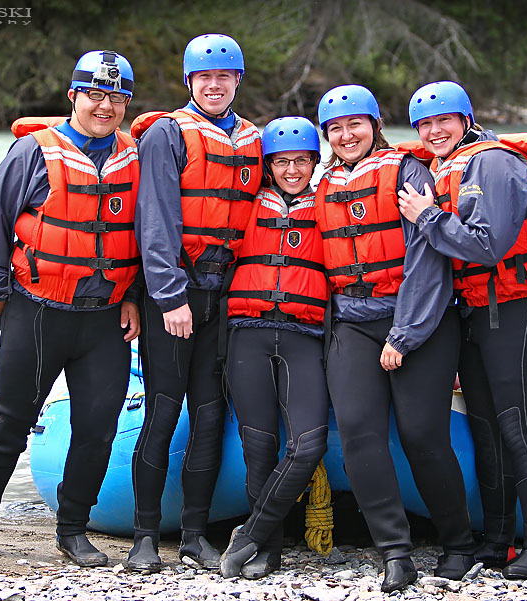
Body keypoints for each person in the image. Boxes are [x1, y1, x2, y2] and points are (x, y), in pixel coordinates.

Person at [0, 50, 141, 567]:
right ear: (73, 96)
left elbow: (148, 238)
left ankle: (72, 531)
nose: (106, 106)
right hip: (37, 312)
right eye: (95, 95)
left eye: (117, 98)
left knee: (97, 430)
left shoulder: (134, 156)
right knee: (9, 421)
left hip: (103, 319)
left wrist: (135, 299)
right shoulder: (34, 152)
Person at [313, 84, 478, 593]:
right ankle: (395, 552)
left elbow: (427, 263)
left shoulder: (408, 173)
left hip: (418, 323)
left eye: (355, 125)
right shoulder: (321, 183)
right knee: (360, 432)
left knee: (421, 434)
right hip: (353, 323)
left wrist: (402, 337)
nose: (346, 136)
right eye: (335, 129)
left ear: (375, 125)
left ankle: (459, 542)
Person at [397, 81, 527, 581]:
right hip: (477, 315)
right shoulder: (446, 167)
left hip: (518, 311)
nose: (433, 130)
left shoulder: (493, 162)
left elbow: (486, 247)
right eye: (425, 124)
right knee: (488, 431)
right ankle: (498, 540)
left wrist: (426, 215)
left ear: (466, 120)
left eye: (443, 120)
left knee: (519, 428)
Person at [125, 33, 263, 572]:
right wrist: (167, 296)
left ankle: (194, 535)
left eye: (224, 76)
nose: (214, 85)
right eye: (204, 77)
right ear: (189, 82)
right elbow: (154, 219)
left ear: (237, 81)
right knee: (162, 412)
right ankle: (142, 535)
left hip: (224, 297)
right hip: (177, 297)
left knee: (209, 416)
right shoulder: (167, 134)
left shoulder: (253, 139)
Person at [217, 116, 330, 579]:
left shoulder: (329, 204)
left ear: (314, 163)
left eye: (301, 161)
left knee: (308, 444)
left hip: (304, 337)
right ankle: (270, 551)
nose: (291, 170)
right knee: (258, 449)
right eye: (281, 162)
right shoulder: (244, 205)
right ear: (267, 165)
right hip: (249, 333)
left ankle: (250, 535)